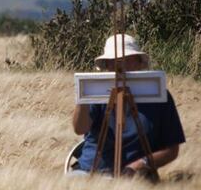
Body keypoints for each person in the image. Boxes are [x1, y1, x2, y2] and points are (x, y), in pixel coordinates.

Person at [71, 34, 185, 178]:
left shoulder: (160, 96)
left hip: (137, 176)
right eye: (112, 62)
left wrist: (140, 165)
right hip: (90, 171)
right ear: (106, 66)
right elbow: (80, 129)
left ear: (139, 63)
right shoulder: (95, 93)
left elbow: (172, 150)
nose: (119, 67)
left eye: (126, 60)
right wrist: (83, 98)